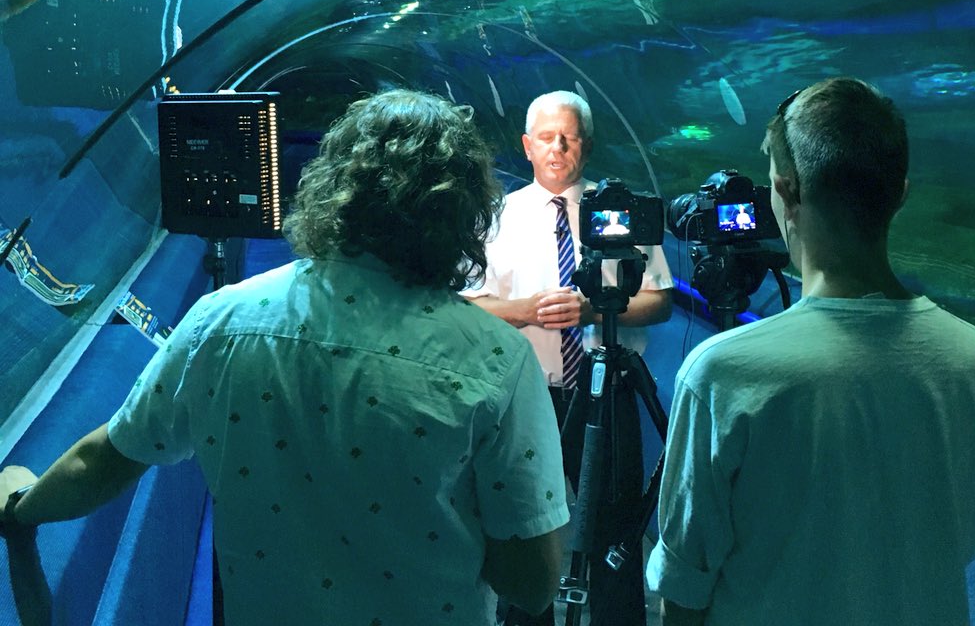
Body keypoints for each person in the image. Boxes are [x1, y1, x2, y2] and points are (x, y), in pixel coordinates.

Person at [0, 89, 570, 626]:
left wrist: (21, 508)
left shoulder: (220, 322)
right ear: (462, 211)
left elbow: (104, 458)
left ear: (334, 185)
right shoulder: (496, 360)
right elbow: (533, 582)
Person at [647, 77, 975, 626]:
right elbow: (973, 530)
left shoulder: (723, 374)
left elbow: (685, 585)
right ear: (902, 193)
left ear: (787, 191)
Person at [463, 89, 674, 626]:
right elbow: (470, 308)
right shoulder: (497, 217)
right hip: (528, 393)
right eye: (547, 137)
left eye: (569, 136)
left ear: (586, 145)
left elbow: (658, 301)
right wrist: (526, 310)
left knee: (616, 522)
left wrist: (591, 310)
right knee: (525, 521)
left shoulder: (619, 212)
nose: (557, 147)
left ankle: (618, 617)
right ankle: (523, 615)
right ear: (527, 146)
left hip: (610, 387)